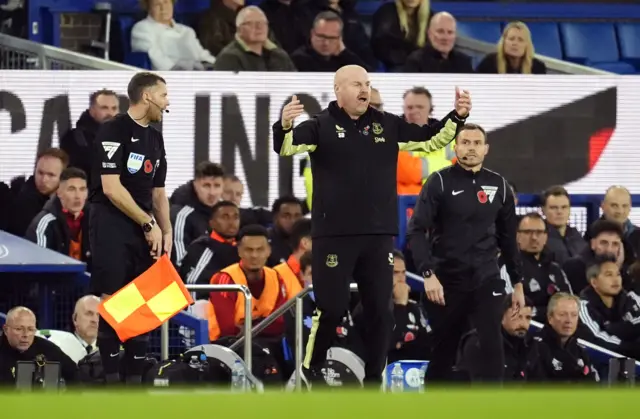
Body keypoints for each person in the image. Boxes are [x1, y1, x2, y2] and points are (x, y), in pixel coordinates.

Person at [272, 64, 470, 386]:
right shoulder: (319, 126)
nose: (364, 90)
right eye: (356, 84)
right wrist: (283, 125)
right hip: (333, 235)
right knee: (332, 308)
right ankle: (312, 370)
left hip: (378, 235)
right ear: (338, 90)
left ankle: (375, 380)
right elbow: (285, 147)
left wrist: (456, 117)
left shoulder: (387, 125)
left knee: (382, 312)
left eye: (367, 83)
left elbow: (430, 139)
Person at [408, 123, 525, 383]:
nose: (470, 148)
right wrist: (428, 274)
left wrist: (517, 283)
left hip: (486, 279)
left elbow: (508, 240)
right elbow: (416, 231)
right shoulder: (438, 181)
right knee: (443, 351)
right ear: (455, 147)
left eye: (476, 143)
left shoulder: (500, 186)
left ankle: (491, 409)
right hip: (446, 281)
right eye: (465, 142)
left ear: (486, 149)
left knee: (492, 344)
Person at [89, 72, 171, 385]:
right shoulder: (113, 129)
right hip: (111, 224)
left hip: (145, 227)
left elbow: (159, 192)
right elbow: (111, 187)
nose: (167, 102)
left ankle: (135, 382)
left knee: (143, 301)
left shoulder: (155, 135)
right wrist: (148, 222)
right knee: (114, 298)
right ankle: (111, 383)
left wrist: (166, 232)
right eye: (163, 95)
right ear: (147, 96)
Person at [25, 167, 91, 267]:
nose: (78, 196)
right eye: (71, 189)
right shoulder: (45, 224)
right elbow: (39, 267)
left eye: (82, 189)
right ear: (59, 193)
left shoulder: (94, 220)